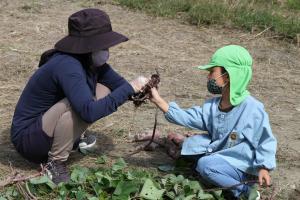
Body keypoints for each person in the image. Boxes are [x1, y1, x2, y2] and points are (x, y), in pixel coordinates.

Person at [11, 8, 148, 184]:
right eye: (103, 44)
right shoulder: (68, 65)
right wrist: (130, 87)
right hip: (29, 140)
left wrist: (142, 90)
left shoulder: (90, 62)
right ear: (89, 45)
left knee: (103, 89)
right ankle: (55, 163)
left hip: (45, 127)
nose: (106, 49)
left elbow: (119, 86)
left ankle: (71, 138)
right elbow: (89, 112)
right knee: (78, 106)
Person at [149, 45, 277, 199]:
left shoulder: (252, 109)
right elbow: (187, 117)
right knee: (192, 146)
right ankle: (219, 175)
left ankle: (245, 192)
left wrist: (264, 167)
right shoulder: (213, 105)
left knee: (204, 165)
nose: (209, 77)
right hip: (223, 156)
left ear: (228, 75)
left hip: (243, 166)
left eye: (212, 72)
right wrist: (157, 100)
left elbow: (266, 140)